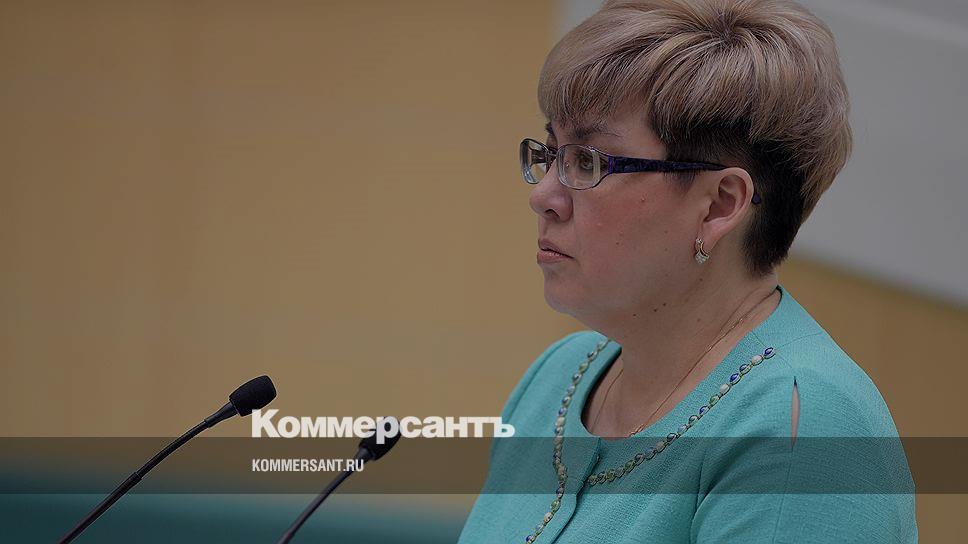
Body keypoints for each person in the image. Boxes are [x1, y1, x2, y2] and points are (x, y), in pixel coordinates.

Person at [457, 0, 917, 542]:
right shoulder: (558, 376)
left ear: (720, 205)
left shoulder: (802, 432)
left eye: (588, 161)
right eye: (552, 153)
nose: (544, 196)